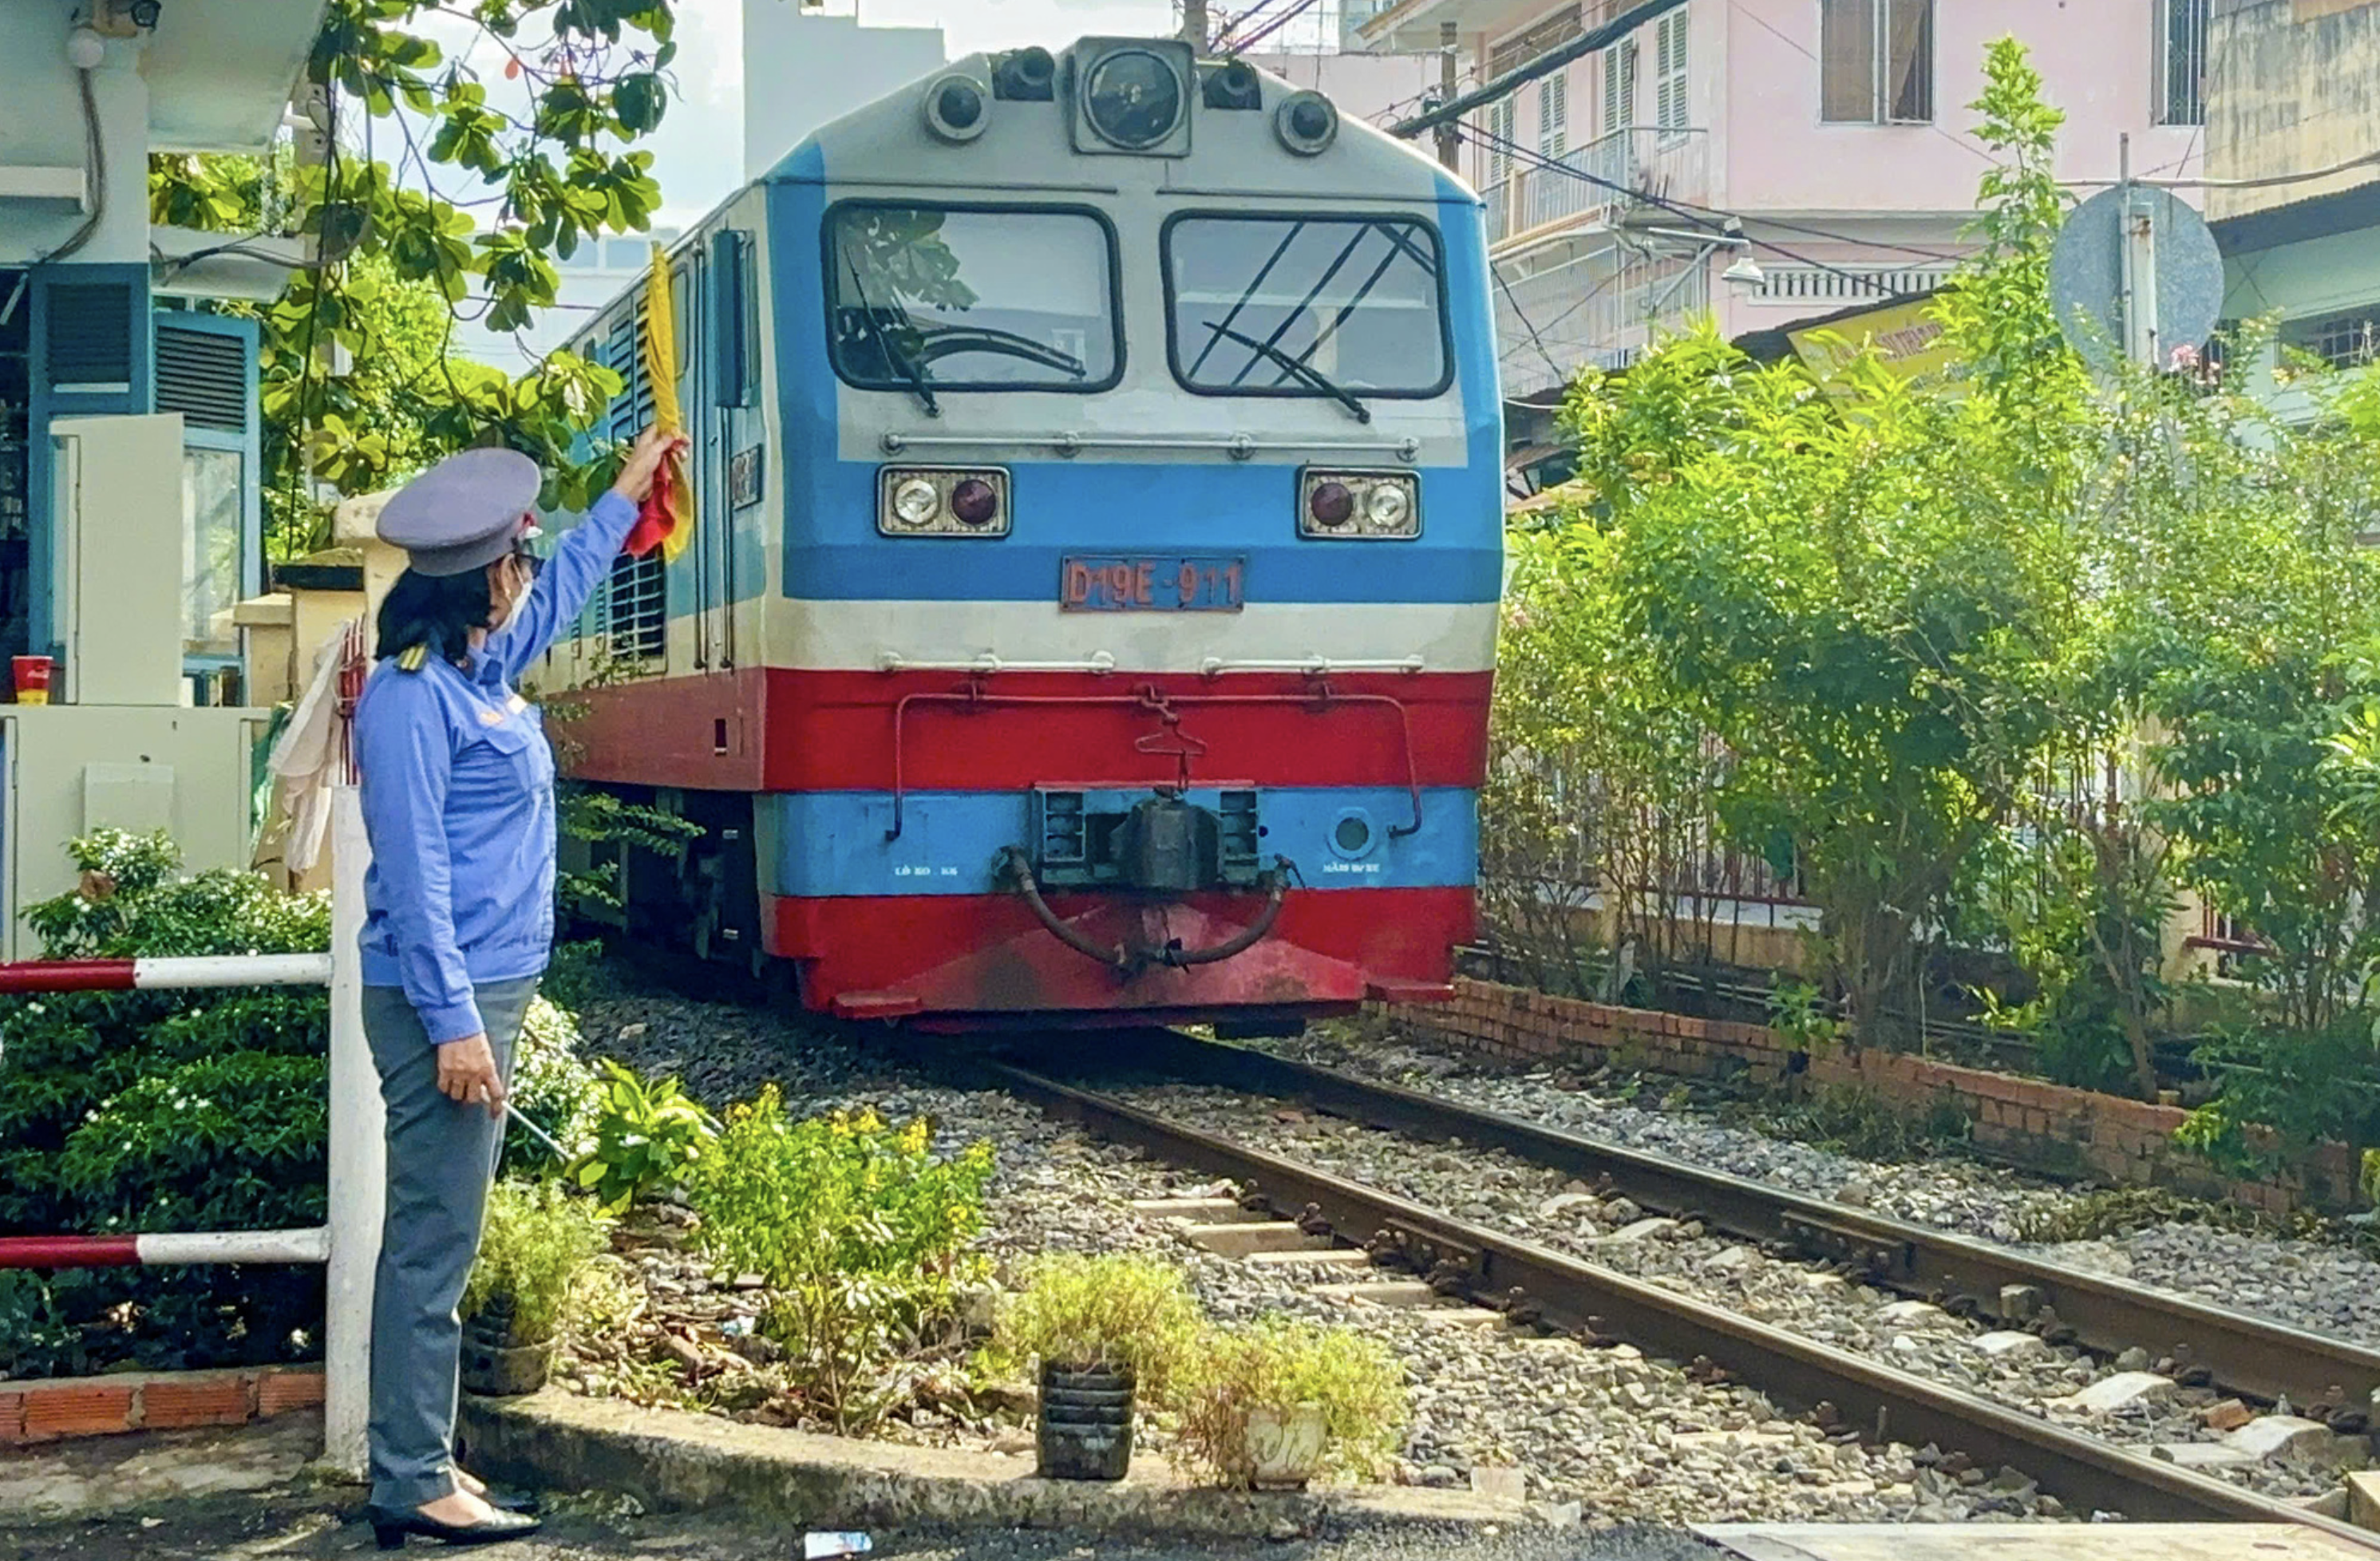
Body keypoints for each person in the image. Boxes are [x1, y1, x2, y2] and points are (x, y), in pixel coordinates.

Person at [355, 426, 682, 1550]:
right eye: (520, 564)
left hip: (478, 992)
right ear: (484, 576)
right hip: (437, 1001)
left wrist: (624, 495)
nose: (530, 579)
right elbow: (414, 879)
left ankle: (424, 1457)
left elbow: (571, 591)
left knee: (445, 1231)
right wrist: (455, 1027)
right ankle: (409, 1476)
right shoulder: (409, 703)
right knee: (434, 1242)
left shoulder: (473, 669)